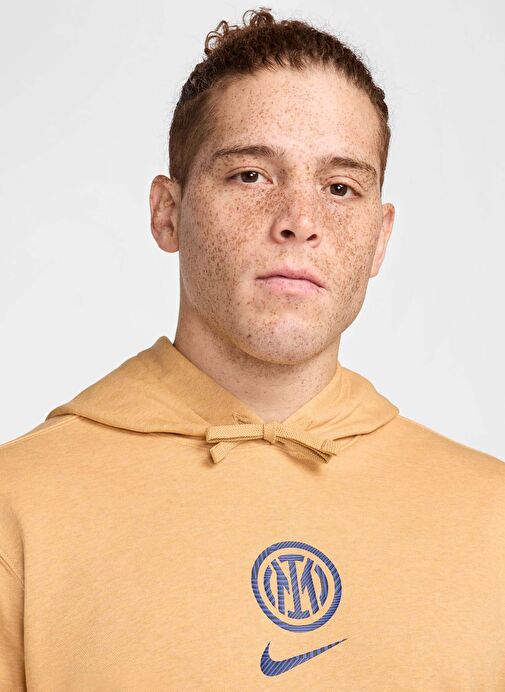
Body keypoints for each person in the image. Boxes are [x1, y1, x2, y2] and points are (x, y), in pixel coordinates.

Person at [1, 7, 503, 690]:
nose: (299, 221)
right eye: (250, 176)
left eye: (340, 188)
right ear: (167, 213)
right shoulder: (17, 505)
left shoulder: (492, 518)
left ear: (380, 238)